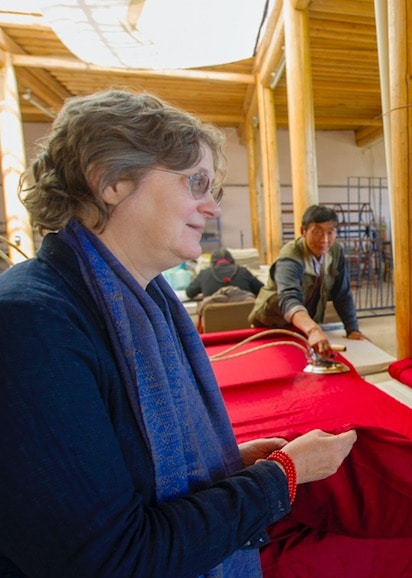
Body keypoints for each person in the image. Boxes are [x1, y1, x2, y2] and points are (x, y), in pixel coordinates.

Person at [0, 89, 357, 577]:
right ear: (112, 181)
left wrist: (223, 465)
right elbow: (114, 560)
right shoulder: (29, 327)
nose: (212, 208)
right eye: (196, 182)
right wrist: (281, 476)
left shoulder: (144, 303)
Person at [249, 204, 363, 355]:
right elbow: (289, 298)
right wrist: (313, 330)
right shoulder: (290, 257)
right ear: (303, 231)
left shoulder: (335, 251)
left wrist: (352, 329)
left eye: (330, 232)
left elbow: (342, 293)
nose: (324, 239)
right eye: (317, 232)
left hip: (305, 325)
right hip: (273, 326)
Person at [185, 246, 264, 300]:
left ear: (212, 262)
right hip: (244, 318)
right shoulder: (243, 272)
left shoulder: (204, 274)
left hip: (214, 319)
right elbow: (262, 290)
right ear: (231, 260)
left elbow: (189, 293)